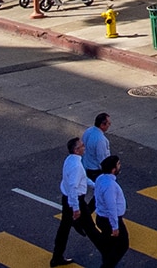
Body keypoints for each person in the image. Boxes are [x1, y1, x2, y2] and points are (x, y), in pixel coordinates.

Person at [52, 136, 94, 266]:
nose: (84, 148)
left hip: (68, 199)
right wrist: (76, 208)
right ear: (76, 150)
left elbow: (82, 179)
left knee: (64, 228)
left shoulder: (70, 160)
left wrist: (95, 185)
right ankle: (109, 253)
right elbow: (73, 188)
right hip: (76, 201)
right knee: (90, 228)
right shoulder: (77, 165)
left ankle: (57, 257)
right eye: (82, 146)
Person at [92, 154, 130, 268]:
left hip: (101, 217)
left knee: (109, 246)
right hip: (109, 220)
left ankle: (106, 263)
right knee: (123, 245)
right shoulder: (110, 185)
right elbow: (111, 207)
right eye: (118, 164)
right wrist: (115, 226)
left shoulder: (100, 178)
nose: (120, 166)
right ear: (113, 169)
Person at [81, 113, 112, 181]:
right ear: (102, 125)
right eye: (108, 123)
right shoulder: (101, 140)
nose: (109, 125)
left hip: (86, 166)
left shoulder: (88, 131)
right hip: (95, 170)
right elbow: (102, 159)